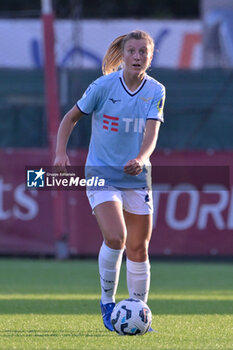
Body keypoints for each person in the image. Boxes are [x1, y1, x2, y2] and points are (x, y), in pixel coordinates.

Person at [54, 29, 165, 332]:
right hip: (101, 173)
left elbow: (152, 133)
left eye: (143, 52)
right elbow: (70, 118)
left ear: (149, 57)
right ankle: (107, 302)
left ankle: (139, 311)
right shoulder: (103, 86)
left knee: (139, 248)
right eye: (132, 51)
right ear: (124, 54)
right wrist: (60, 153)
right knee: (116, 237)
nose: (137, 56)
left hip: (137, 176)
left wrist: (141, 159)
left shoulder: (155, 90)